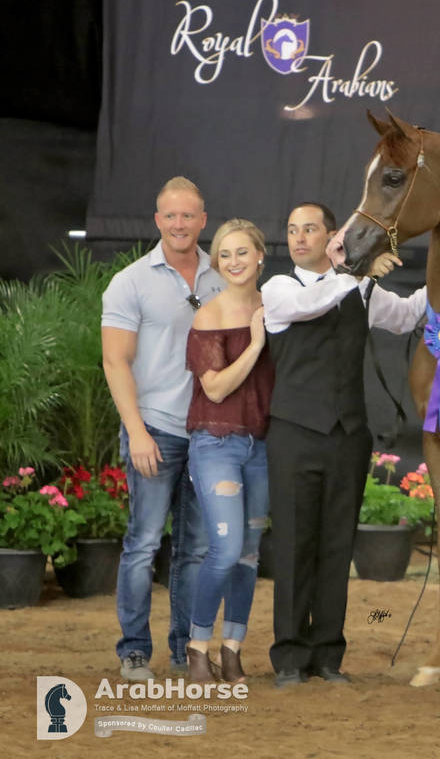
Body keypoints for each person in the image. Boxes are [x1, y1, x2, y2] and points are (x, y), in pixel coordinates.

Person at [261, 202, 427, 686]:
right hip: (293, 434)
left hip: (348, 437)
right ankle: (290, 657)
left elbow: (409, 315)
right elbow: (310, 305)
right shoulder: (278, 288)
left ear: (332, 235)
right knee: (293, 546)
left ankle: (327, 654)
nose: (298, 238)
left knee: (337, 547)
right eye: (292, 230)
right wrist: (353, 271)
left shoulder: (360, 290)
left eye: (309, 228)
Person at [101, 176, 222, 679]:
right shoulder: (131, 281)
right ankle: (133, 650)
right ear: (157, 221)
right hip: (155, 430)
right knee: (144, 544)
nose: (179, 224)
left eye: (188, 215)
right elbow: (114, 361)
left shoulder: (224, 276)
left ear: (203, 220)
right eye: (170, 216)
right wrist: (138, 431)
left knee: (195, 550)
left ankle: (184, 650)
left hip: (209, 437)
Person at [183, 219, 274, 683]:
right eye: (225, 254)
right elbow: (215, 389)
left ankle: (233, 647)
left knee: (249, 555)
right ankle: (197, 648)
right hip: (215, 441)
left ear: (260, 255)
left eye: (242, 252)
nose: (234, 261)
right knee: (225, 548)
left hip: (260, 445)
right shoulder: (210, 315)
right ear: (216, 263)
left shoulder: (277, 305)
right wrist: (257, 344)